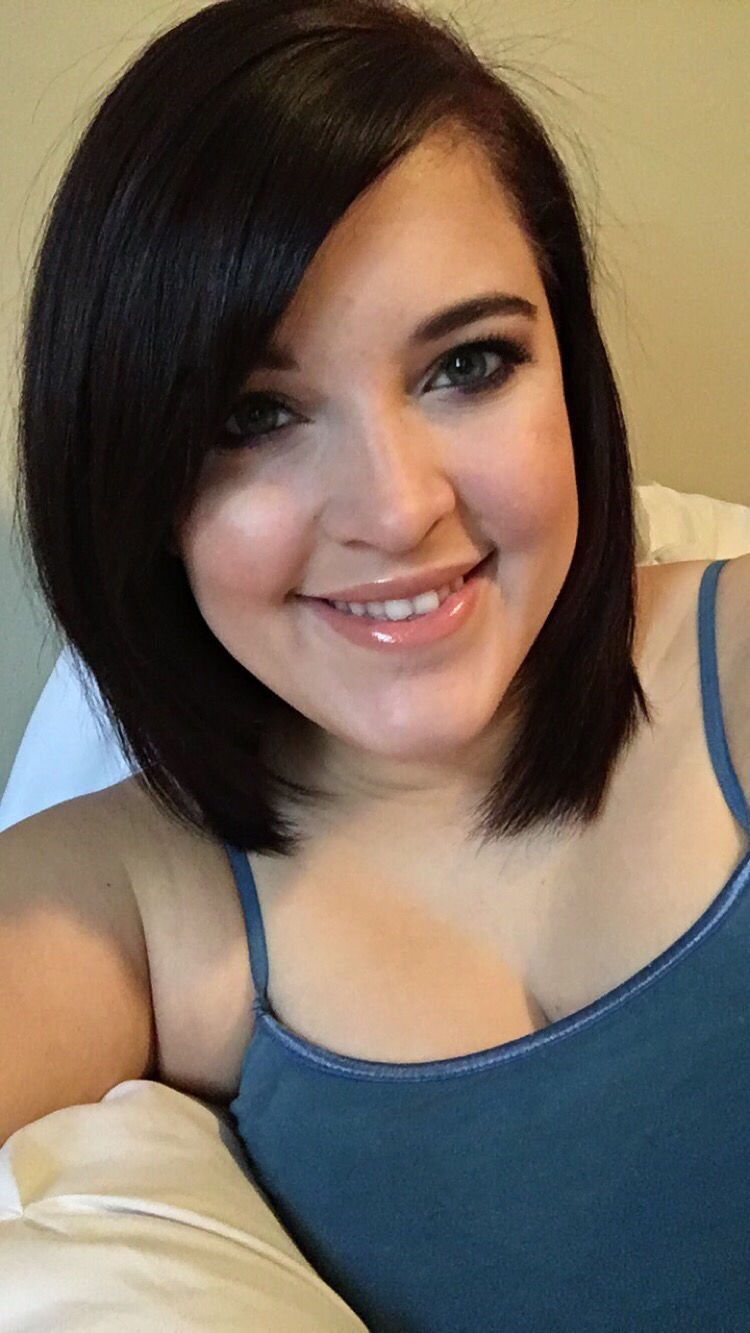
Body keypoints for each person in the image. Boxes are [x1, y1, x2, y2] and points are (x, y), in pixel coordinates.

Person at [2, 0, 748, 1327]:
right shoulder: (126, 891)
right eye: (255, 414)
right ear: (136, 479)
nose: (398, 508)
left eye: (469, 363)